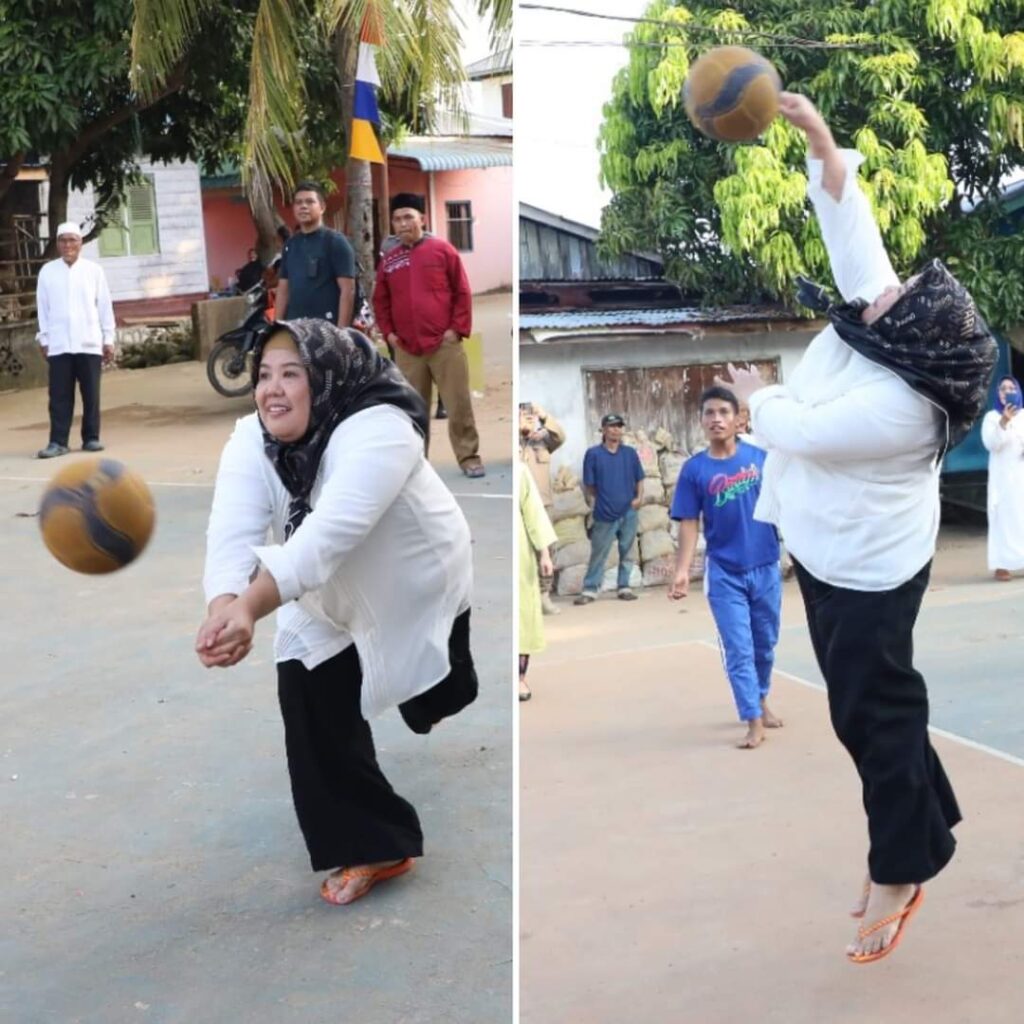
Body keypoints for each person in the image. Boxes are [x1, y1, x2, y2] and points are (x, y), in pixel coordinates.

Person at [720, 92, 996, 964]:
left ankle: (901, 868)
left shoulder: (898, 408)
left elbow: (791, 430)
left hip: (872, 569)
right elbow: (854, 231)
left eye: (905, 295)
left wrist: (749, 388)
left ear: (913, 339)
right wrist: (819, 139)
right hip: (833, 552)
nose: (893, 287)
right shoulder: (890, 335)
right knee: (872, 710)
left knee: (874, 715)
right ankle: (928, 824)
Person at [196, 319, 477, 907]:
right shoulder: (253, 437)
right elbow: (234, 526)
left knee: (433, 698)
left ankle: (443, 688)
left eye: (291, 375)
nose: (272, 390)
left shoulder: (381, 427)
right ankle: (375, 841)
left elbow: (327, 536)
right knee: (307, 695)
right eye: (264, 375)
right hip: (319, 596)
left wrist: (252, 604)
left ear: (325, 377)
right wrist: (225, 604)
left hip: (412, 581)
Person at [668, 385, 783, 750]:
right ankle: (751, 718)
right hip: (724, 573)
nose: (716, 419)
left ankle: (761, 698)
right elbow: (688, 521)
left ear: (737, 420)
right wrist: (683, 570)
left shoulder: (761, 458)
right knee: (739, 648)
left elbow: (786, 501)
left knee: (765, 643)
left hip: (765, 566)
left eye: (723, 412)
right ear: (702, 421)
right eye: (709, 413)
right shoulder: (694, 470)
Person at [373, 193, 485, 478]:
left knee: (458, 403)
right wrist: (391, 335)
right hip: (408, 348)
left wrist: (455, 330)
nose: (403, 224)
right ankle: (416, 462)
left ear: (422, 219)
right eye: (397, 219)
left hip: (444, 345)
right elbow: (381, 301)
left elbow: (462, 291)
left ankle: (469, 456)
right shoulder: (390, 260)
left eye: (408, 217)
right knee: (411, 408)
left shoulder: (442, 250)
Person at [34, 221, 116, 459]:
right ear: (57, 244)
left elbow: (104, 306)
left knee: (91, 393)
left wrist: (108, 338)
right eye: (63, 240)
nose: (67, 245)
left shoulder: (93, 271)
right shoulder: (48, 272)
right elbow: (43, 309)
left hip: (89, 342)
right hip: (59, 345)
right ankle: (58, 441)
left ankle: (91, 438)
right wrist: (44, 338)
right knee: (59, 396)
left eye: (72, 240)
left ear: (80, 243)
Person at [574, 413, 645, 605]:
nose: (616, 430)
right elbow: (590, 485)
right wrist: (603, 499)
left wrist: (638, 498)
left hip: (628, 511)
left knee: (627, 551)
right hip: (605, 512)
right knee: (599, 552)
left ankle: (624, 586)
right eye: (612, 426)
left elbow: (640, 477)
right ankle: (590, 589)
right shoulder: (594, 454)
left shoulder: (629, 453)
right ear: (603, 430)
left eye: (619, 426)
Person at [276, 181, 356, 326]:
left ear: (322, 207)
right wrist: (276, 326)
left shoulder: (335, 242)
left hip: (326, 327)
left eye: (310, 202)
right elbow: (283, 290)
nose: (303, 206)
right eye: (298, 202)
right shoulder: (290, 245)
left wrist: (341, 331)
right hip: (294, 326)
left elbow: (348, 290)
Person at [520, 402, 567, 614]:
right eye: (523, 416)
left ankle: (544, 596)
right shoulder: (517, 444)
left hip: (544, 506)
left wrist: (544, 416)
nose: (528, 421)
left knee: (547, 552)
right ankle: (527, 599)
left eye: (531, 417)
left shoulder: (542, 443)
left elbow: (561, 436)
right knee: (525, 554)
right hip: (521, 508)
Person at [519, 469, 557, 701]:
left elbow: (534, 514)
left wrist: (544, 554)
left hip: (521, 557)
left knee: (523, 619)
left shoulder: (521, 472)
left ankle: (519, 678)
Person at [981, 375, 1024, 580]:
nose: (1007, 391)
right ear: (998, 394)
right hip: (1003, 478)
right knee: (1003, 519)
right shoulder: (991, 417)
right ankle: (1002, 565)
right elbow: (992, 444)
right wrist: (1004, 421)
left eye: (1011, 388)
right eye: (1003, 389)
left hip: (1021, 475)